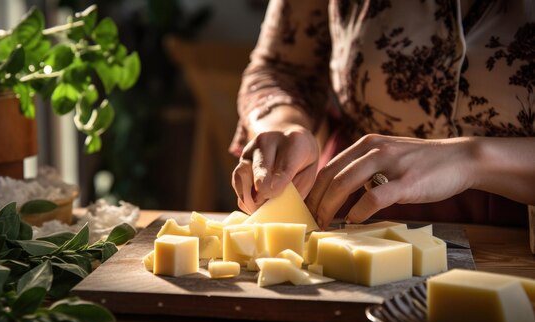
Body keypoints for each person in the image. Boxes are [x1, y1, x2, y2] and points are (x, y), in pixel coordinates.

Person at [229, 0, 535, 228]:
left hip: (517, 231)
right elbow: (283, 69)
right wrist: (282, 124)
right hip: (348, 207)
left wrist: (474, 158)